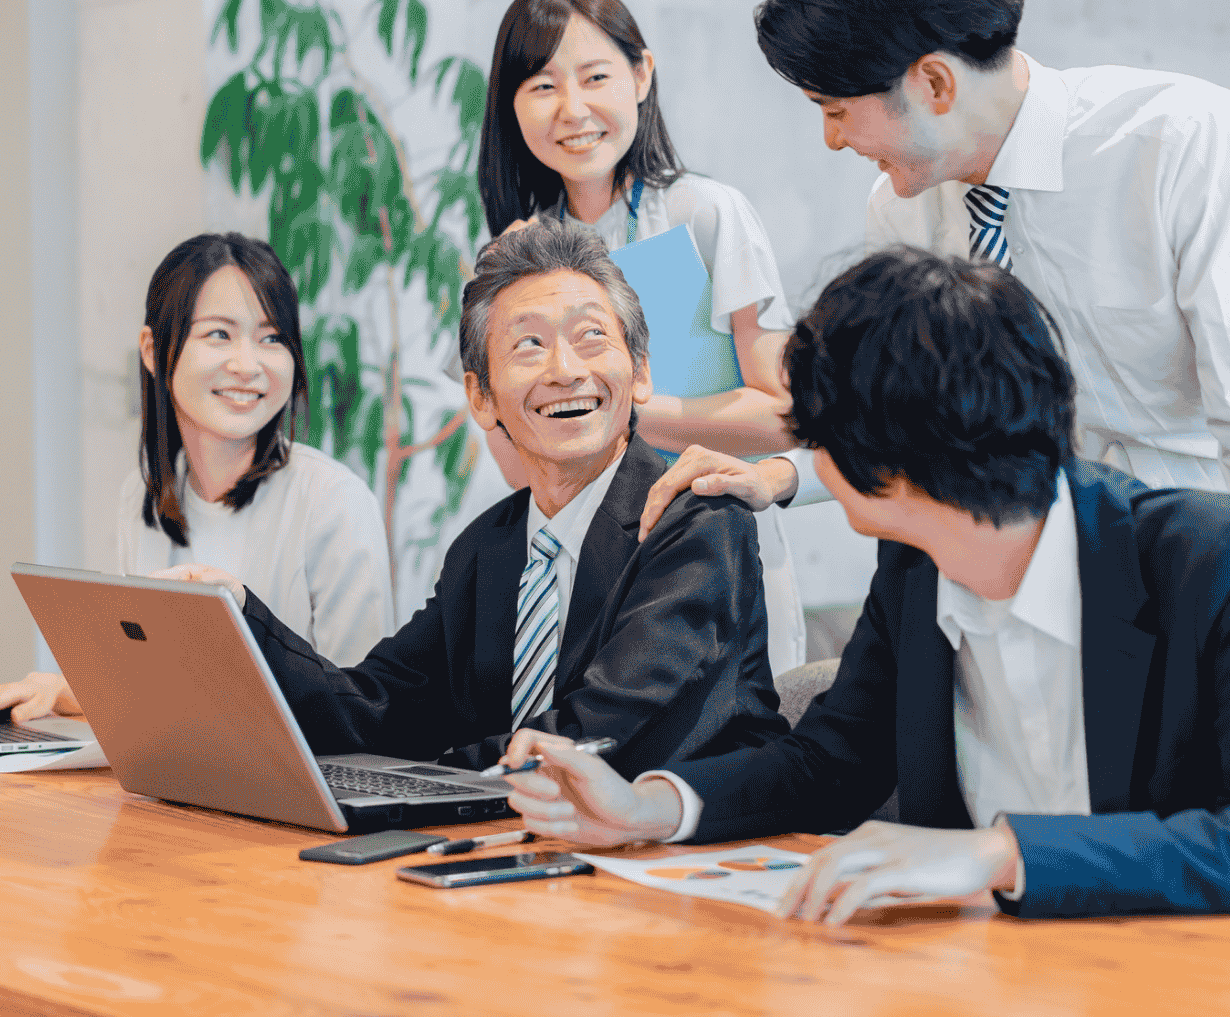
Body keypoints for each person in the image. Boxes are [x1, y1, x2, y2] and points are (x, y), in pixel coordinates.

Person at [660, 0, 1230, 730]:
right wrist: (783, 477)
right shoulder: (905, 210)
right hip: (1105, 525)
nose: (831, 140)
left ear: (932, 81)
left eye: (834, 110)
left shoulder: (1185, 139)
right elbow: (940, 429)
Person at [505, 247, 1230, 924]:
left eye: (819, 441)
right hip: (1000, 997)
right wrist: (644, 808)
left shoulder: (1218, 559)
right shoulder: (917, 563)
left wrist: (1002, 854)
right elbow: (826, 765)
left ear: (890, 466)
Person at [162, 218, 786, 778]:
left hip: (687, 866)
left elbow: (608, 731)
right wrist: (239, 615)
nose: (565, 369)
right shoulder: (488, 547)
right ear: (481, 396)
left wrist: (435, 780)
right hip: (528, 859)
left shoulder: (696, 518)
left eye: (591, 337)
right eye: (529, 345)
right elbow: (376, 706)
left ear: (641, 371)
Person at [475, 0, 809, 676]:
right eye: (540, 86)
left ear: (641, 74)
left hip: (715, 549)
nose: (573, 109)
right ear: (510, 106)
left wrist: (621, 413)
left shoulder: (707, 216)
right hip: (582, 567)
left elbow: (787, 416)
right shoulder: (513, 258)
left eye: (595, 76)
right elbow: (516, 458)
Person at [0, 233, 392, 724]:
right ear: (152, 349)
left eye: (272, 338)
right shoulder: (141, 499)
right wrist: (64, 690)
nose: (247, 365)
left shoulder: (334, 504)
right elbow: (158, 688)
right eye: (219, 334)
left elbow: (361, 710)